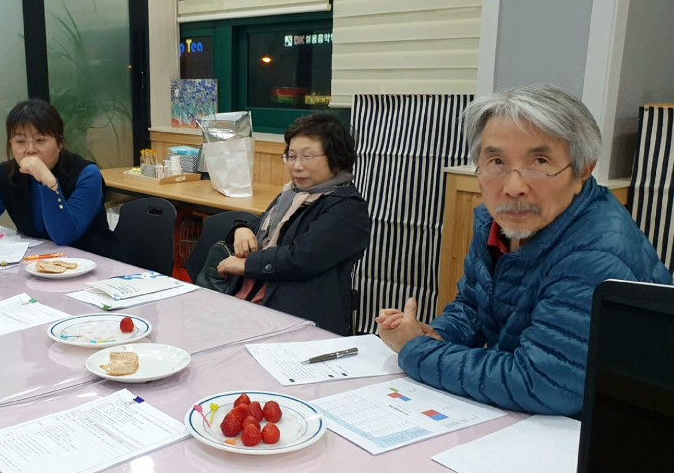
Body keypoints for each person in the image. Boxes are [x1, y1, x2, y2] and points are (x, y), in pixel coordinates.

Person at [375, 84, 672, 416]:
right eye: (497, 161)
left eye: (539, 161)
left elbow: (543, 382)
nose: (514, 187)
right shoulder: (494, 223)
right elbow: (473, 307)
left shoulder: (597, 248)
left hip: (613, 427)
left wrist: (417, 350)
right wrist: (435, 335)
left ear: (583, 170)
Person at [213, 112, 371, 335]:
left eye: (307, 157)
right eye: (291, 156)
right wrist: (241, 229)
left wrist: (247, 265)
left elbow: (302, 257)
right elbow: (263, 228)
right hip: (251, 305)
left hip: (296, 318)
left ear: (336, 160)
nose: (296, 166)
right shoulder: (292, 194)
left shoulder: (348, 208)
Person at [0, 98, 124, 260]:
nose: (30, 150)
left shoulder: (87, 174)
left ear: (60, 142)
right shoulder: (7, 174)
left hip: (95, 262)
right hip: (38, 263)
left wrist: (47, 182)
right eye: (20, 141)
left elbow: (64, 236)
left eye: (40, 140)